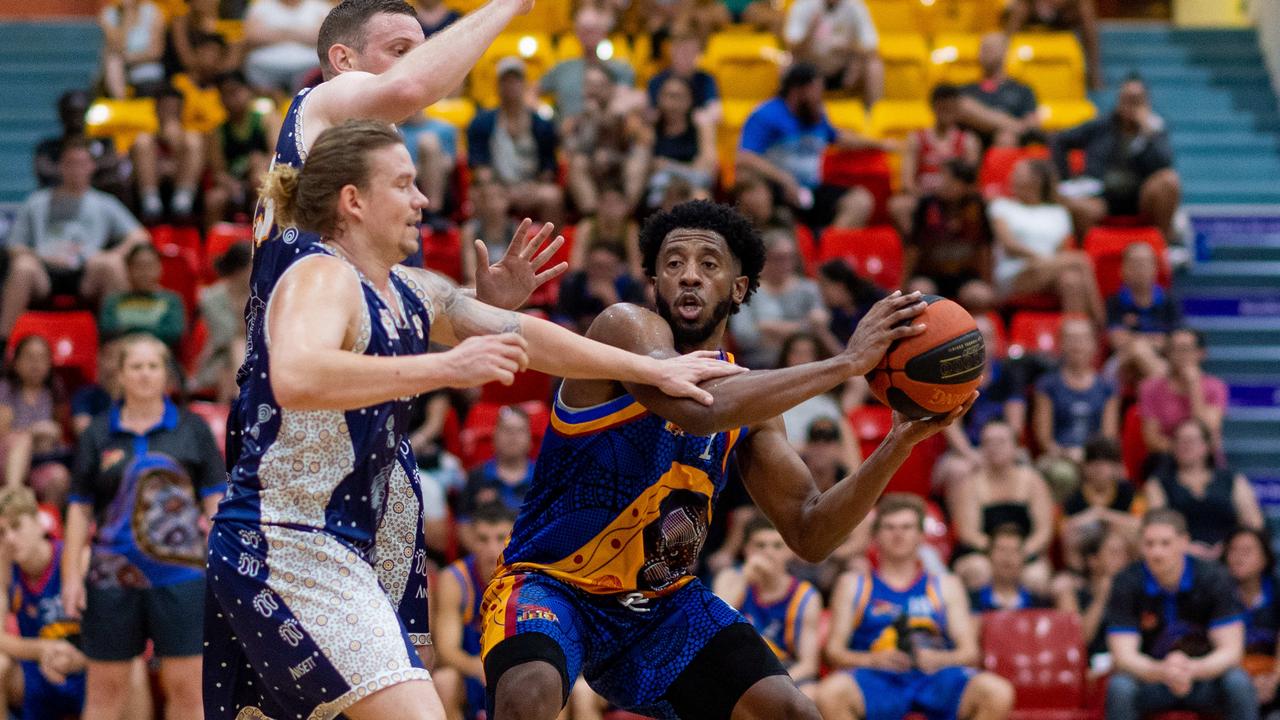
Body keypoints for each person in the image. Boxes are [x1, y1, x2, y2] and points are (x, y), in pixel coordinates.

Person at [205, 120, 746, 720]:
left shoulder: (409, 288)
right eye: (405, 184)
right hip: (289, 541)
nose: (423, 200)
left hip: (348, 538)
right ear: (353, 201)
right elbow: (296, 376)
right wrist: (445, 368)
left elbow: (529, 337)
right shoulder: (321, 274)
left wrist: (649, 372)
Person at [480, 199, 974, 720]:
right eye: (673, 264)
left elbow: (811, 534)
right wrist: (849, 363)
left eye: (709, 264)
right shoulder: (625, 330)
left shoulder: (754, 405)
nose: (689, 276)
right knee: (527, 698)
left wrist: (898, 442)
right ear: (654, 283)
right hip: (550, 583)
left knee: (793, 713)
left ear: (739, 288)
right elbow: (696, 409)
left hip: (661, 606)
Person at [237, 0, 558, 678]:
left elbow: (494, 325)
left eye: (422, 45)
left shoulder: (366, 237)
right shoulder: (320, 105)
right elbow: (412, 89)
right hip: (296, 484)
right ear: (342, 63)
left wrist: (475, 309)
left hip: (368, 466)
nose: (415, 63)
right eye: (398, 46)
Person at [63, 333, 225, 720]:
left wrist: (222, 571)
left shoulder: (193, 430)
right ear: (119, 375)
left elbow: (216, 504)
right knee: (105, 695)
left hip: (182, 578)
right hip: (110, 579)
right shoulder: (98, 433)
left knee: (188, 694)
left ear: (166, 373)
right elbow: (79, 510)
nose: (145, 374)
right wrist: (71, 577)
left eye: (153, 366)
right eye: (135, 366)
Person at [815, 493, 1014, 720]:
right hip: (876, 675)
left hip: (934, 675)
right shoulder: (853, 584)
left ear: (921, 535)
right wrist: (873, 660)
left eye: (907, 527)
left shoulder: (946, 585)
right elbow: (833, 652)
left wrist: (939, 659)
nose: (898, 534)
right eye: (890, 527)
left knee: (997, 691)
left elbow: (969, 652)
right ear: (875, 536)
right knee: (830, 693)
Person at [1105, 508, 1257, 720]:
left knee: (1238, 682)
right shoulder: (1126, 582)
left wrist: (1192, 669)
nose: (1156, 552)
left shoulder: (1214, 578)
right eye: (1149, 544)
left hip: (1203, 677)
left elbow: (1231, 651)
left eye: (1165, 543)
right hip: (1152, 678)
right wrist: (1162, 671)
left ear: (1184, 542)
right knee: (1120, 686)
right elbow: (1124, 657)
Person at [1, 139, 150, 343]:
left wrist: (113, 254)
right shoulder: (37, 201)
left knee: (112, 265)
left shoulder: (104, 203)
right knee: (22, 267)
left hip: (85, 271)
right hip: (44, 271)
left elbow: (140, 236)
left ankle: (118, 344)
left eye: (82, 163)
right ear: (61, 166)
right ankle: (4, 343)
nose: (76, 169)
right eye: (70, 163)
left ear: (91, 166)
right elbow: (14, 246)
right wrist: (41, 256)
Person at [737, 63, 883, 230]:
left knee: (860, 201)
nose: (821, 97)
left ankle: (826, 248)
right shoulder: (766, 115)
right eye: (817, 91)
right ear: (798, 91)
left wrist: (881, 144)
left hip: (810, 189)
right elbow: (746, 157)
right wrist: (783, 179)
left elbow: (838, 137)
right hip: (776, 188)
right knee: (755, 197)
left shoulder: (816, 115)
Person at [1053, 75, 1181, 242]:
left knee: (1169, 181)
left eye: (1136, 100)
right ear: (1118, 99)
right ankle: (1091, 257)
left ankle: (1162, 247)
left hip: (1140, 197)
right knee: (1076, 205)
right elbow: (1059, 140)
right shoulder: (1101, 126)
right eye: (1126, 99)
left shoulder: (1155, 129)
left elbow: (1164, 164)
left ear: (1146, 102)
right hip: (1103, 196)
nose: (1130, 105)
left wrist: (1147, 132)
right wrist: (1066, 178)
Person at [0, 486, 87, 720]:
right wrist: (41, 649)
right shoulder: (5, 572)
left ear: (40, 523)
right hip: (37, 671)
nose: (9, 538)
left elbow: (117, 632)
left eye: (16, 526)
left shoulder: (77, 559)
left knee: (131, 667)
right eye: (1, 532)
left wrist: (79, 659)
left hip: (85, 665)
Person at [712, 515, 823, 695]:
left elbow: (809, 665)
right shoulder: (730, 578)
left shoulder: (806, 596)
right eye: (760, 545)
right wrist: (745, 578)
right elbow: (713, 628)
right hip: (734, 668)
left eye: (777, 546)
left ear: (790, 551)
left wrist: (770, 687)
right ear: (746, 549)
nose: (768, 552)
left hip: (782, 671)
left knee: (810, 694)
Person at [988, 158, 1104, 324]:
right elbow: (1009, 244)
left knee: (1071, 281)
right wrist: (1041, 259)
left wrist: (1048, 263)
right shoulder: (1001, 206)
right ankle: (1101, 323)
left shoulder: (1058, 212)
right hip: (1016, 271)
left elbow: (1062, 251)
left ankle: (1075, 335)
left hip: (1049, 271)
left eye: (1018, 172)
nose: (1011, 176)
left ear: (1036, 179)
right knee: (1081, 260)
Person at [947, 420, 1054, 593]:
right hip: (981, 553)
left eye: (1001, 442)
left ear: (1016, 447)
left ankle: (1032, 619)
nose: (994, 447)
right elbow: (968, 534)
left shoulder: (1033, 481)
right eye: (988, 442)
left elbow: (1044, 532)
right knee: (978, 569)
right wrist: (1000, 554)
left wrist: (1018, 553)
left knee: (1036, 576)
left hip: (1024, 552)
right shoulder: (970, 484)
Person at [432, 502, 516, 720]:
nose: (492, 549)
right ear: (470, 539)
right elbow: (446, 651)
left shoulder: (526, 578)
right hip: (472, 673)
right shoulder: (455, 579)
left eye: (500, 538)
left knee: (546, 681)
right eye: (483, 539)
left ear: (514, 539)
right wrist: (480, 669)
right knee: (445, 680)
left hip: (515, 671)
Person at [1143, 418, 1262, 560]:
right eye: (1180, 441)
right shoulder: (1158, 482)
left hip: (1229, 556)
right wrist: (1185, 547)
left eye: (1191, 441)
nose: (1185, 446)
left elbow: (1254, 523)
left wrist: (1229, 546)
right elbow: (1156, 524)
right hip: (1178, 556)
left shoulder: (1232, 479)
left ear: (1207, 445)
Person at [467, 57, 565, 226]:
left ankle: (552, 248)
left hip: (533, 185)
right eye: (506, 81)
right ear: (497, 86)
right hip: (498, 187)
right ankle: (492, 247)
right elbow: (480, 166)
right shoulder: (481, 123)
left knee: (552, 196)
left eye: (516, 81)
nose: (511, 86)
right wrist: (501, 189)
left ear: (524, 84)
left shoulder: (542, 124)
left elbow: (549, 166)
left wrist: (532, 187)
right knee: (488, 197)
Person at [728, 230, 826, 369]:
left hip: (806, 364)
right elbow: (744, 335)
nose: (786, 264)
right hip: (759, 365)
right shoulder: (746, 291)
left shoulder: (809, 288)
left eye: (790, 257)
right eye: (779, 258)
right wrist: (804, 326)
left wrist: (771, 328)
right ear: (764, 259)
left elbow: (820, 328)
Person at [890, 84, 981, 234]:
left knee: (983, 207)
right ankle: (916, 249)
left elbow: (970, 180)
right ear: (933, 107)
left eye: (951, 108)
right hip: (924, 196)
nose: (947, 113)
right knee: (899, 206)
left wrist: (951, 194)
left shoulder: (968, 141)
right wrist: (927, 197)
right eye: (943, 108)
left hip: (956, 198)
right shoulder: (916, 138)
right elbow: (907, 182)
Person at [901, 159, 993, 303]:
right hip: (930, 274)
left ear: (964, 185)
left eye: (946, 179)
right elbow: (914, 248)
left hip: (965, 275)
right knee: (919, 293)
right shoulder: (926, 205)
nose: (940, 183)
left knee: (981, 296)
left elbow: (984, 247)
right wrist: (903, 285)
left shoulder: (977, 207)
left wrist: (988, 283)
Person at [1032, 317, 1119, 464]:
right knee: (1062, 475)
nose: (1077, 346)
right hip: (1058, 457)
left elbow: (1108, 436)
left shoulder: (1107, 386)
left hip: (1096, 459)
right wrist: (1066, 454)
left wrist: (1089, 458)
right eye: (1071, 339)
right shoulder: (1047, 385)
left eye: (1083, 339)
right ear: (1060, 344)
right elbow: (1044, 439)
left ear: (1094, 345)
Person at [0, 335, 71, 502]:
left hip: (38, 461)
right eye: (29, 357)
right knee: (23, 439)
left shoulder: (54, 391)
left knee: (59, 476)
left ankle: (48, 523)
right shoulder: (5, 389)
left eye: (41, 358)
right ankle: (12, 499)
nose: (36, 364)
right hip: (6, 459)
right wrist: (33, 433)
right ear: (16, 362)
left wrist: (51, 436)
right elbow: (3, 432)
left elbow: (62, 433)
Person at [1138, 328, 1228, 458]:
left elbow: (1207, 432)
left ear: (1201, 353)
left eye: (1185, 349)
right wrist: (1184, 452)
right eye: (1174, 349)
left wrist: (1194, 386)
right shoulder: (1150, 387)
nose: (1180, 355)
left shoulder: (1216, 387)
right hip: (1167, 459)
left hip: (1205, 460)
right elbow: (1152, 439)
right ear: (1167, 353)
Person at [539, 4, 637, 121]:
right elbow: (531, 93)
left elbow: (627, 99)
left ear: (604, 32)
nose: (589, 36)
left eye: (594, 30)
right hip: (569, 134)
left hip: (605, 130)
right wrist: (549, 114)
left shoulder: (619, 68)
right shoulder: (563, 68)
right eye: (585, 31)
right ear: (577, 33)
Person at [204, 70, 275, 228]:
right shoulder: (218, 131)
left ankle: (262, 241)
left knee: (259, 175)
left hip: (260, 179)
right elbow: (218, 171)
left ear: (248, 91)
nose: (232, 99)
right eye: (226, 94)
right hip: (234, 182)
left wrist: (258, 167)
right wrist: (231, 184)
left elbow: (276, 156)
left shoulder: (266, 119)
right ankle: (213, 248)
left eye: (236, 92)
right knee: (214, 199)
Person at [1053, 524, 1133, 661]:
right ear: (1093, 560)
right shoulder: (1072, 590)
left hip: (1127, 665)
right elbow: (1078, 639)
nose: (1122, 559)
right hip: (1089, 664)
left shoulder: (1133, 590)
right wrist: (1100, 598)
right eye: (1114, 553)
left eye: (1125, 553)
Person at [783, 0, 884, 106]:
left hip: (845, 71)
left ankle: (874, 116)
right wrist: (810, 32)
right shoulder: (804, 5)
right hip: (809, 70)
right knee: (786, 62)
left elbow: (872, 48)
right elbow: (791, 47)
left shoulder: (856, 6)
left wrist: (849, 48)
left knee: (874, 65)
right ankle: (788, 115)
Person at [1059, 435, 1141, 565]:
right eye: (1093, 462)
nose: (1099, 468)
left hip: (1123, 552)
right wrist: (1090, 517)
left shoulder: (1127, 491)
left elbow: (1140, 523)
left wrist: (1102, 514)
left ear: (1116, 467)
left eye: (1106, 463)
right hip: (1086, 553)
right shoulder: (1073, 494)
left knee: (1125, 534)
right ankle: (1077, 573)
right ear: (1084, 467)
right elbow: (1065, 527)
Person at [129, 85, 207, 221]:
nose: (170, 112)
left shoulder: (190, 137)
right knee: (142, 140)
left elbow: (201, 165)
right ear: (156, 109)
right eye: (166, 108)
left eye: (174, 109)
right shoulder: (145, 137)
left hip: (182, 179)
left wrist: (175, 142)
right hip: (151, 180)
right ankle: (150, 202)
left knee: (194, 140)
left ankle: (183, 201)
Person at [1224, 527, 1280, 715]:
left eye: (1247, 551)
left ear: (1265, 557)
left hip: (1273, 672)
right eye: (1233, 550)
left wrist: (1274, 678)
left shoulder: (1277, 588)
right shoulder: (1216, 590)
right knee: (1236, 683)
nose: (1239, 557)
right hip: (1232, 674)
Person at [32, 90, 129, 199]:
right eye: (71, 113)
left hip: (98, 203)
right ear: (61, 114)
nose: (75, 119)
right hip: (59, 203)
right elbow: (44, 170)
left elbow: (113, 168)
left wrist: (70, 171)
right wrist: (90, 171)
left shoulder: (104, 143)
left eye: (81, 112)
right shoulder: (48, 147)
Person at [1106, 241, 1179, 383]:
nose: (1140, 269)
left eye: (1145, 263)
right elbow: (1117, 341)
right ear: (1123, 270)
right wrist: (1151, 342)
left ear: (1155, 269)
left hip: (1161, 360)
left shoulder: (1168, 301)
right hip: (1121, 362)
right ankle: (1166, 391)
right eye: (1134, 264)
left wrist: (1136, 342)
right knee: (1138, 350)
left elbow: (1173, 341)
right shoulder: (1114, 301)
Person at [646, 74, 718, 210]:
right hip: (660, 191)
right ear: (659, 99)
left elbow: (706, 173)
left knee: (701, 197)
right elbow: (646, 170)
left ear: (690, 100)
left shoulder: (700, 127)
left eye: (679, 97)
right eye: (668, 96)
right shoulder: (651, 128)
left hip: (690, 188)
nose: (673, 103)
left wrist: (669, 166)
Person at [957, 33, 1041, 148]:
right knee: (970, 141)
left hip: (1008, 142)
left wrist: (1006, 127)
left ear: (1005, 51)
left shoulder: (1022, 90)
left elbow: (1032, 124)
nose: (983, 53)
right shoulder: (967, 89)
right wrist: (1010, 124)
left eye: (989, 48)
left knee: (1006, 138)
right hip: (973, 140)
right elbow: (963, 108)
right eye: (981, 48)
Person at [97, 243, 187, 350]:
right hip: (120, 355)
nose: (144, 272)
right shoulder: (113, 301)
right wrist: (150, 331)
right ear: (128, 269)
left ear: (160, 268)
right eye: (138, 266)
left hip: (160, 356)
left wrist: (129, 330)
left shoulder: (172, 300)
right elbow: (108, 330)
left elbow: (173, 334)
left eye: (149, 266)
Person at [192, 242, 251, 401]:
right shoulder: (211, 297)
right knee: (235, 349)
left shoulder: (262, 296)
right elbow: (225, 336)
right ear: (239, 270)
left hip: (258, 356)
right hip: (219, 358)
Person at [1005, 0, 1101, 92]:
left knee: (1086, 8)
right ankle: (1004, 68)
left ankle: (1094, 73)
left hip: (1063, 25)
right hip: (1032, 27)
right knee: (1018, 8)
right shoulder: (1025, 5)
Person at [457, 406, 534, 519]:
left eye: (520, 430)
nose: (513, 436)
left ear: (530, 438)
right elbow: (463, 523)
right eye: (507, 430)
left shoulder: (544, 477)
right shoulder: (476, 477)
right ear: (494, 436)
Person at [554, 244, 649, 333]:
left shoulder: (630, 285)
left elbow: (637, 325)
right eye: (595, 266)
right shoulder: (574, 283)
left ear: (618, 270)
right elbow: (561, 314)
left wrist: (613, 302)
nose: (599, 273)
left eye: (606, 268)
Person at [243, 0, 330, 95]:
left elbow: (326, 36)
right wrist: (300, 33)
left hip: (308, 67)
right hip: (265, 67)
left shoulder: (320, 6)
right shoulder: (261, 6)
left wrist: (278, 33)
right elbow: (251, 36)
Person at [967, 524, 1051, 613]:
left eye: (1014, 550)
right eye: (1001, 550)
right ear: (989, 555)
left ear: (1024, 557)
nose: (1007, 557)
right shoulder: (971, 602)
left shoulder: (1039, 605)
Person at [645, 31, 721, 123]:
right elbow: (651, 111)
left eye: (691, 52)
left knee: (705, 120)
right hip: (665, 128)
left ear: (698, 54)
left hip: (694, 129)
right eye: (681, 51)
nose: (686, 56)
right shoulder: (657, 80)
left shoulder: (706, 80)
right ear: (672, 51)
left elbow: (715, 110)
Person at [571, 182, 642, 277]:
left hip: (619, 278)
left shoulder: (630, 228)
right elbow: (575, 265)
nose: (611, 208)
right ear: (598, 205)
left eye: (616, 203)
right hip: (592, 276)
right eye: (606, 203)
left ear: (626, 207)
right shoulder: (587, 226)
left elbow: (636, 269)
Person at [99, 0, 166, 98]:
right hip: (117, 69)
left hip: (147, 67)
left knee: (115, 60)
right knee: (113, 62)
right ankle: (121, 102)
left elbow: (156, 52)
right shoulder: (108, 14)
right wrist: (127, 18)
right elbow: (117, 47)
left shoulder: (153, 11)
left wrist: (128, 57)